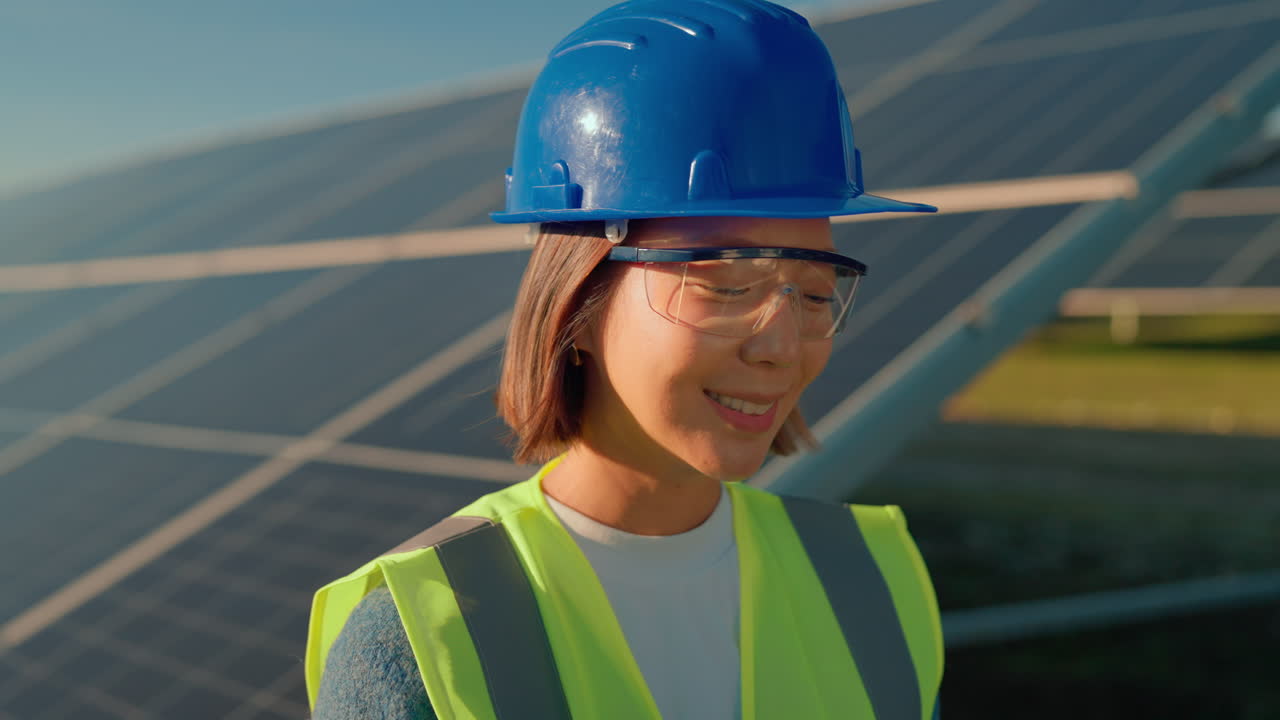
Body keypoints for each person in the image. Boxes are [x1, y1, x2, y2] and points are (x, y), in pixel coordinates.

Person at [305, 0, 944, 718]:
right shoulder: (424, 637)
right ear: (577, 301)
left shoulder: (876, 580)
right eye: (726, 285)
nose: (782, 347)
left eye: (817, 293)